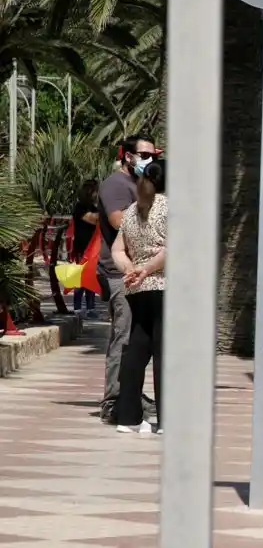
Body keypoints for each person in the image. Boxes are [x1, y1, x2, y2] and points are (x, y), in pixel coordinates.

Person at [97, 134, 158, 425]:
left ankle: (131, 395)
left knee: (138, 339)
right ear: (127, 156)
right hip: (120, 272)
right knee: (123, 337)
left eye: (152, 155)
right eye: (143, 154)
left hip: (141, 273)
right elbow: (118, 220)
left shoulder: (138, 185)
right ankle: (113, 402)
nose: (148, 159)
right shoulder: (116, 185)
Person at [112, 160, 167, 434]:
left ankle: (128, 416)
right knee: (165, 353)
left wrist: (131, 270)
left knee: (137, 349)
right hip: (164, 286)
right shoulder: (171, 207)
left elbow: (117, 249)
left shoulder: (133, 210)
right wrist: (147, 270)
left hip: (137, 290)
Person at [71, 180, 100, 318]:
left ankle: (90, 307)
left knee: (91, 277)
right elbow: (93, 220)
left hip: (93, 248)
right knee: (80, 278)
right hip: (82, 247)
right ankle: (77, 307)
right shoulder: (80, 208)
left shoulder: (95, 208)